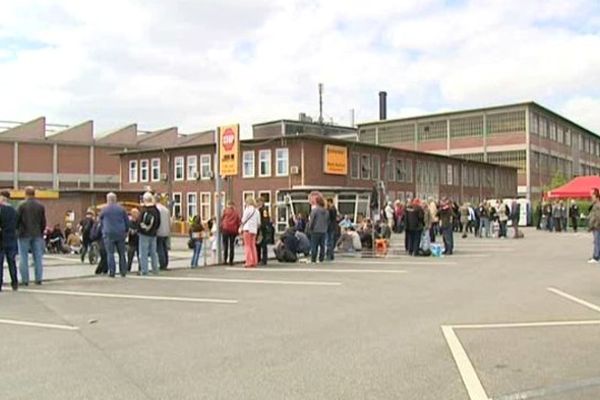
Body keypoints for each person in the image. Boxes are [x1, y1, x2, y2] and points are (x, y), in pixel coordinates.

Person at [16, 186, 46, 286]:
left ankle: (25, 280)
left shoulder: (21, 205)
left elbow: (17, 220)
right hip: (37, 234)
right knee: (38, 257)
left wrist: (17, 230)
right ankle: (38, 279)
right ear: (34, 193)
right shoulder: (40, 206)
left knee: (23, 257)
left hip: (24, 234)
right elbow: (43, 222)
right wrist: (41, 231)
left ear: (26, 193)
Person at [99, 192, 129, 278]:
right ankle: (123, 271)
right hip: (120, 233)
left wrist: (102, 230)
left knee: (110, 253)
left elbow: (100, 221)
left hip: (108, 233)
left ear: (107, 200)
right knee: (122, 253)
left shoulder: (104, 209)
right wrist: (126, 231)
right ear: (116, 199)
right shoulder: (121, 209)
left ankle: (112, 272)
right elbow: (126, 221)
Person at [138, 192, 161, 275]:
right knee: (153, 253)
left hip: (144, 234)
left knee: (143, 253)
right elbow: (158, 223)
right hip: (153, 234)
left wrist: (140, 230)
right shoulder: (156, 210)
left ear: (144, 200)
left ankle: (144, 270)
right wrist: (154, 229)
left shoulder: (143, 210)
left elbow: (139, 222)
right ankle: (155, 269)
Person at [0, 191, 18, 291]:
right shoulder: (14, 211)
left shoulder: (1, 210)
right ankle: (14, 283)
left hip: (1, 239)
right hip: (11, 238)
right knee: (12, 262)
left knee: (0, 262)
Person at [307, 193, 329, 263]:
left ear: (317, 202)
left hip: (315, 230)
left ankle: (313, 259)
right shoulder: (326, 211)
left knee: (314, 245)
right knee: (322, 246)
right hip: (323, 230)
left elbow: (312, 220)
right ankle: (321, 258)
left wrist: (310, 228)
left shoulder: (315, 210)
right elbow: (327, 221)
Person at [240, 197, 261, 268]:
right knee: (253, 246)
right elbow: (258, 222)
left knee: (247, 246)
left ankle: (248, 261)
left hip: (247, 229)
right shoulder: (257, 211)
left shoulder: (247, 209)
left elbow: (243, 220)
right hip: (254, 230)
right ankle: (255, 261)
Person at [221, 201, 241, 266]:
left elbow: (222, 219)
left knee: (225, 245)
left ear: (228, 205)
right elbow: (238, 221)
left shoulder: (225, 211)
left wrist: (221, 227)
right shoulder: (236, 213)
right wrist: (237, 229)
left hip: (225, 229)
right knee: (232, 245)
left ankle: (225, 259)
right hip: (233, 230)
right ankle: (231, 261)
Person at [155, 195, 171, 271]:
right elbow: (169, 221)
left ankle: (162, 264)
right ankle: (165, 263)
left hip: (159, 231)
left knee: (160, 248)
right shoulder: (166, 209)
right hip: (166, 231)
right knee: (165, 248)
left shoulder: (156, 209)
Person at [256, 198, 272, 266]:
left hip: (263, 229)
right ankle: (258, 258)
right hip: (259, 228)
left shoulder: (264, 209)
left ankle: (264, 259)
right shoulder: (258, 209)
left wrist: (263, 226)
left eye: (259, 202)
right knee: (258, 244)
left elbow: (265, 219)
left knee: (263, 244)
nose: (258, 203)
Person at [588, 188, 600, 263]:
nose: (591, 196)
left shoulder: (598, 205)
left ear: (596, 195)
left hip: (597, 226)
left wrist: (595, 225)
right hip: (596, 225)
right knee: (597, 241)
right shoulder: (595, 204)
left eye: (592, 194)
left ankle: (595, 257)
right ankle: (597, 256)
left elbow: (598, 217)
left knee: (596, 241)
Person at [127, 209, 140, 273]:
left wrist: (136, 231)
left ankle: (140, 268)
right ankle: (128, 268)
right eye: (133, 213)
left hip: (138, 242)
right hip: (131, 242)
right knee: (130, 257)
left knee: (139, 256)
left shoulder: (139, 222)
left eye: (136, 213)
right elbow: (127, 230)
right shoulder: (129, 222)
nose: (135, 215)